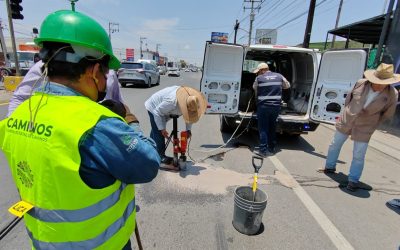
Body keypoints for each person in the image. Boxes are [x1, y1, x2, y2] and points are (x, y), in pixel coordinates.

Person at [0, 10, 160, 249]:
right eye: (106, 74)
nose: (106, 82)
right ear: (94, 71)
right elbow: (148, 165)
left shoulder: (15, 118)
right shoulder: (98, 124)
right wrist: (130, 120)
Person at [319, 63, 398, 192]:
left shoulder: (392, 93)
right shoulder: (361, 83)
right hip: (348, 119)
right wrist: (348, 112)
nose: (379, 85)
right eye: (377, 82)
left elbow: (388, 113)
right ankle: (330, 167)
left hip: (366, 125)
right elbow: (348, 100)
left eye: (382, 83)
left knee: (359, 154)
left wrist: (374, 123)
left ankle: (353, 180)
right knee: (335, 144)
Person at [7, 61, 123, 117]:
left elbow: (119, 105)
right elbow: (20, 97)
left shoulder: (110, 74)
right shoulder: (43, 68)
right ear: (94, 72)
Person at [145, 85, 207, 164]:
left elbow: (189, 117)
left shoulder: (192, 101)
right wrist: (162, 129)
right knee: (158, 132)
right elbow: (157, 112)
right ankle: (160, 156)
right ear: (184, 105)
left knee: (155, 131)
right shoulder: (171, 102)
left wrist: (188, 130)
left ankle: (150, 151)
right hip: (154, 107)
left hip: (165, 111)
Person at [252, 62, 290, 157]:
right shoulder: (279, 76)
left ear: (262, 70)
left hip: (263, 107)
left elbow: (254, 88)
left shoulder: (259, 78)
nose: (258, 74)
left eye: (258, 72)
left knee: (263, 129)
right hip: (276, 107)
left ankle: (263, 151)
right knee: (272, 127)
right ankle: (272, 149)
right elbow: (287, 85)